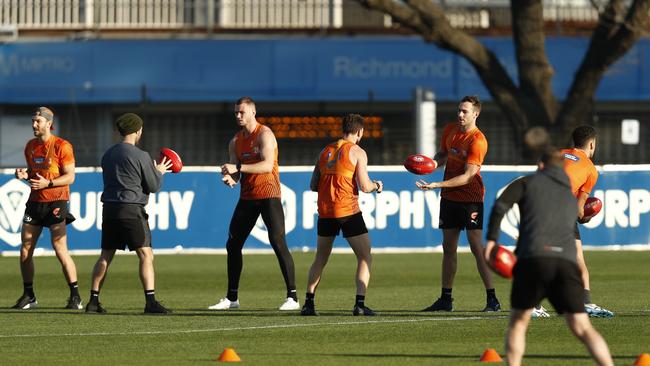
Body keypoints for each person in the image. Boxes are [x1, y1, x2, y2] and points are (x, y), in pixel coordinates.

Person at [484, 147, 613, 366]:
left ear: (541, 165)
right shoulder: (567, 194)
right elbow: (578, 218)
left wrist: (491, 242)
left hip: (533, 260)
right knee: (582, 327)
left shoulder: (527, 183)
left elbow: (499, 207)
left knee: (518, 324)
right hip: (565, 264)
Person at [211, 96, 299, 311]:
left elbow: (267, 166)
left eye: (242, 112)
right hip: (248, 197)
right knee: (233, 244)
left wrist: (238, 169)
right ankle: (232, 298)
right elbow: (236, 172)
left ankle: (293, 298)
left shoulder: (265, 134)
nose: (238, 116)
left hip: (269, 194)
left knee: (278, 241)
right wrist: (231, 178)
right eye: (236, 113)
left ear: (252, 112)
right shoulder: (235, 141)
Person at [415, 95, 500, 312]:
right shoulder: (450, 130)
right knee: (448, 247)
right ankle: (446, 299)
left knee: (476, 247)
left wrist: (436, 185)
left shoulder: (477, 140)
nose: (460, 114)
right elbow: (443, 154)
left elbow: (468, 176)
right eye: (459, 110)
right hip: (449, 198)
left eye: (465, 111)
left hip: (470, 198)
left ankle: (492, 299)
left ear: (476, 114)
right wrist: (432, 163)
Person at [85, 113, 173, 314]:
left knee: (106, 255)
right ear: (137, 130)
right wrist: (159, 170)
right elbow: (153, 185)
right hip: (131, 209)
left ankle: (93, 301)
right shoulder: (140, 155)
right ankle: (150, 302)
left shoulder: (107, 155)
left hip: (109, 209)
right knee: (145, 254)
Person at [301, 113, 383, 317]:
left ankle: (308, 304)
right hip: (347, 211)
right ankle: (360, 305)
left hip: (325, 211)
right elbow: (365, 186)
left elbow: (313, 185)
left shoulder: (325, 150)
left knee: (320, 258)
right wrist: (377, 186)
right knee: (365, 256)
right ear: (360, 131)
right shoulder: (357, 151)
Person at [12, 107, 82, 310]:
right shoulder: (30, 146)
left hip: (56, 201)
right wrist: (25, 175)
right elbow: (35, 174)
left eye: (38, 121)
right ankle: (29, 295)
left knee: (60, 248)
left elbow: (70, 177)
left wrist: (48, 184)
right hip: (35, 202)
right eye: (33, 121)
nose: (34, 125)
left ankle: (75, 296)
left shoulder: (62, 146)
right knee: (25, 249)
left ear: (49, 124)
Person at [561, 125, 613, 318]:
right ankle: (586, 303)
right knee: (577, 260)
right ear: (591, 144)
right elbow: (579, 209)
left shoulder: (557, 154)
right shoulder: (591, 170)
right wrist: (586, 217)